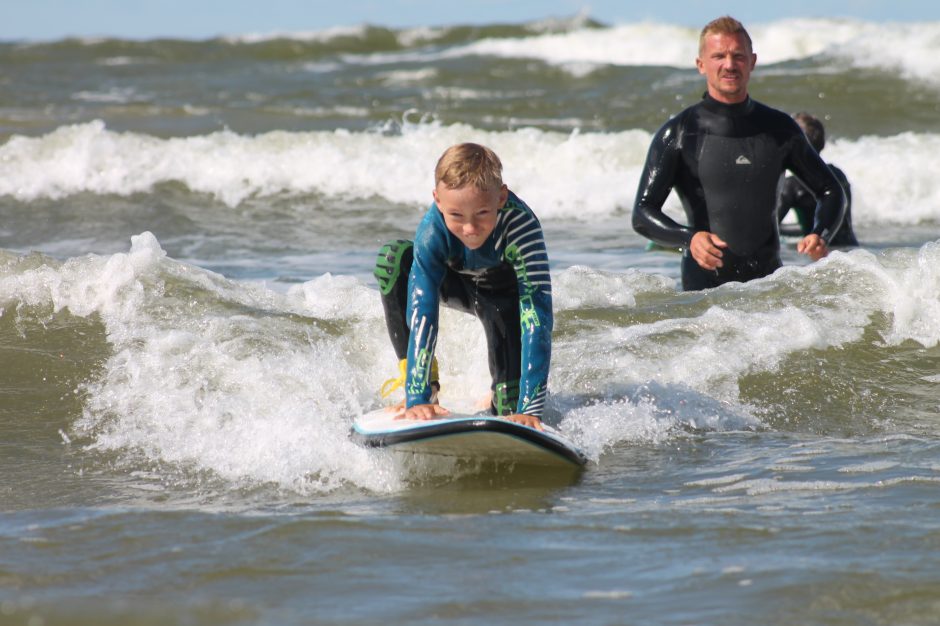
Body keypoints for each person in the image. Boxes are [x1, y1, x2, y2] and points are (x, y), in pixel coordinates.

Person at [632, 16, 847, 291]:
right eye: (719, 56)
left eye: (738, 56)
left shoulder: (780, 129)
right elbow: (642, 212)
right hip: (704, 298)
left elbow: (830, 189)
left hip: (768, 292)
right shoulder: (680, 133)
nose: (730, 64)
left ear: (752, 61)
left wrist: (821, 233)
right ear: (701, 65)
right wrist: (689, 238)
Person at [374, 143, 552, 430]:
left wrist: (530, 409)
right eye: (456, 215)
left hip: (502, 301)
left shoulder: (520, 226)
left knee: (509, 411)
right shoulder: (433, 229)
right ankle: (425, 389)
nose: (470, 228)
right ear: (438, 201)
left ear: (501, 197)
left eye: (482, 213)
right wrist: (417, 396)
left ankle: (500, 393)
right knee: (393, 260)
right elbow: (423, 309)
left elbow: (536, 314)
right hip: (455, 285)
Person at [777, 112, 858, 247]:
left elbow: (769, 227)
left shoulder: (792, 185)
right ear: (822, 144)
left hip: (816, 252)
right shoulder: (837, 176)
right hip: (850, 249)